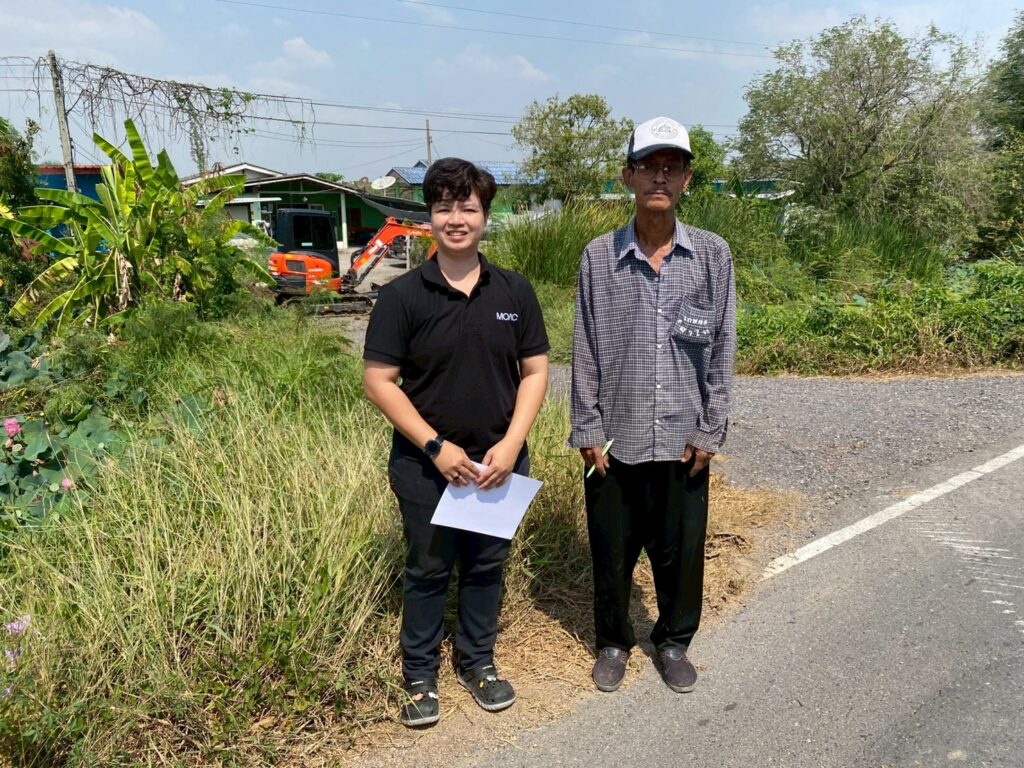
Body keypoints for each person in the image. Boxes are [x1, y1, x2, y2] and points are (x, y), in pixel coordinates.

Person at [363, 158, 550, 727]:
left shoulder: (514, 290)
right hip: (427, 466)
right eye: (444, 207)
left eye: (468, 207)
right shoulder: (403, 296)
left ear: (486, 216)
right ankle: (420, 675)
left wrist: (511, 445)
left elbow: (535, 372)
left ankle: (478, 662)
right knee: (427, 569)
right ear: (430, 217)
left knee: (487, 565)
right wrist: (435, 447)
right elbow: (379, 382)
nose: (456, 219)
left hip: (498, 463)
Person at [569, 116, 736, 694]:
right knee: (611, 550)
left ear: (687, 179)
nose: (659, 177)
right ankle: (613, 641)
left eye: (672, 166)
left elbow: (722, 347)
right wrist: (586, 427)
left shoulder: (712, 255)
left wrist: (710, 430)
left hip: (684, 437)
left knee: (681, 551)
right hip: (615, 438)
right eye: (648, 166)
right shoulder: (599, 257)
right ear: (628, 177)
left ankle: (673, 641)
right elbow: (585, 348)